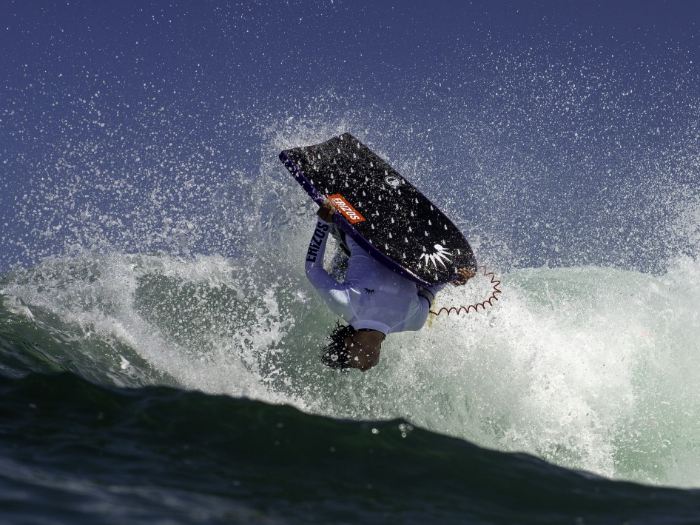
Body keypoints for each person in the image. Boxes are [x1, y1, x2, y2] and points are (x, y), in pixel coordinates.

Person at [306, 200, 474, 372]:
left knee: (339, 267)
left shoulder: (346, 305)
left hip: (357, 231)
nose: (363, 369)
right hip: (406, 249)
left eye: (352, 363)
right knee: (415, 286)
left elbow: (313, 270)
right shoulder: (413, 322)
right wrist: (453, 275)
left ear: (348, 343)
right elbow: (434, 287)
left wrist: (323, 222)